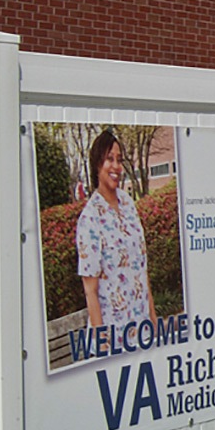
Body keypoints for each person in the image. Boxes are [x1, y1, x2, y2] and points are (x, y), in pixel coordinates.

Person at [76, 129, 157, 350]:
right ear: (97, 164)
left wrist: (154, 319)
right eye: (109, 159)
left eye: (119, 160)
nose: (115, 167)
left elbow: (142, 268)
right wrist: (104, 346)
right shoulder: (90, 219)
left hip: (141, 333)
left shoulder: (128, 204)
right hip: (114, 341)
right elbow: (90, 290)